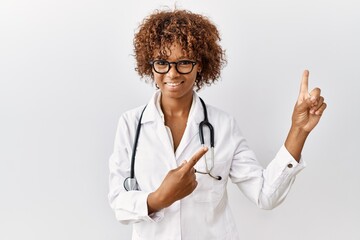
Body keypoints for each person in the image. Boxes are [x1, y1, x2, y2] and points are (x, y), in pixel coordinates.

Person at [108, 9, 327, 240]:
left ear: (199, 64)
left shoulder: (222, 126)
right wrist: (160, 197)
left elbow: (265, 195)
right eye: (162, 62)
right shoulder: (131, 124)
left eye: (183, 62)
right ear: (150, 64)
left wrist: (298, 130)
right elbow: (118, 202)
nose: (172, 73)